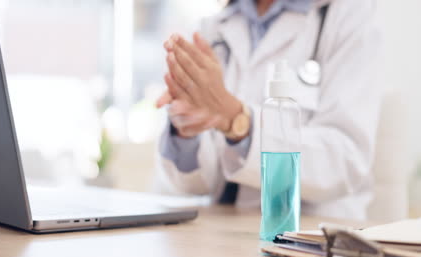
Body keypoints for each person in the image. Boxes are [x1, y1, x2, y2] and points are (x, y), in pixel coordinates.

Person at [155, 0, 381, 220]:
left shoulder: (347, 13)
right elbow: (199, 183)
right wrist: (187, 129)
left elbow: (345, 160)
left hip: (311, 233)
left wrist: (237, 121)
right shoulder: (213, 26)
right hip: (223, 230)